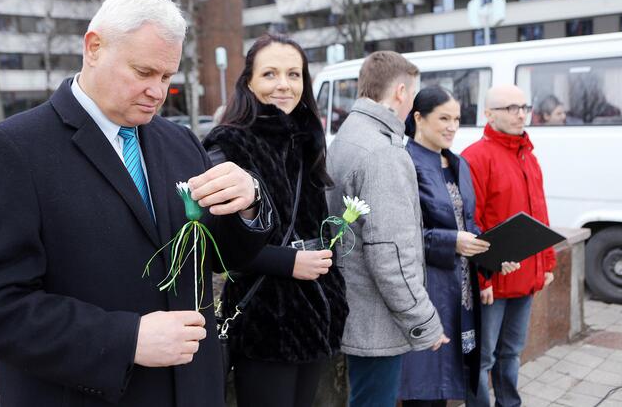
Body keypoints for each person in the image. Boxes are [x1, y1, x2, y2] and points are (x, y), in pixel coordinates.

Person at [0, 0, 274, 407]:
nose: (158, 92)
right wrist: (126, 340)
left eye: (166, 77)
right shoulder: (11, 150)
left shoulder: (180, 142)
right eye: (143, 72)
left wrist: (248, 203)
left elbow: (220, 257)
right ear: (94, 47)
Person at [203, 34, 348, 407]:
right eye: (270, 74)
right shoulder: (228, 143)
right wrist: (290, 262)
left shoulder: (306, 140)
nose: (284, 84)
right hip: (266, 317)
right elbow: (216, 246)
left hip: (315, 311)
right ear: (248, 81)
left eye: (294, 74)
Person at [326, 51, 449, 407]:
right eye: (412, 94)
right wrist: (423, 320)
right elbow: (390, 253)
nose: (412, 104)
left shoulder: (347, 135)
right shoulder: (382, 152)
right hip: (374, 318)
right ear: (399, 92)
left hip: (355, 308)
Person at [398, 86, 519, 407]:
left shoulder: (458, 164)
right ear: (419, 118)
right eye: (444, 118)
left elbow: (469, 226)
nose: (452, 126)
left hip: (460, 295)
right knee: (424, 390)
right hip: (427, 294)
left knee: (453, 384)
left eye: (457, 119)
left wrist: (494, 256)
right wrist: (451, 242)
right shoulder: (405, 162)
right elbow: (400, 236)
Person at [462, 84, 556, 407]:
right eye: (511, 108)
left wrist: (546, 264)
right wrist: (482, 278)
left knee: (512, 353)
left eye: (523, 107)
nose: (520, 114)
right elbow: (470, 223)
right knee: (483, 359)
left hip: (525, 275)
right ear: (488, 114)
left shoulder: (527, 154)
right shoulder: (475, 157)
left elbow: (539, 212)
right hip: (492, 280)